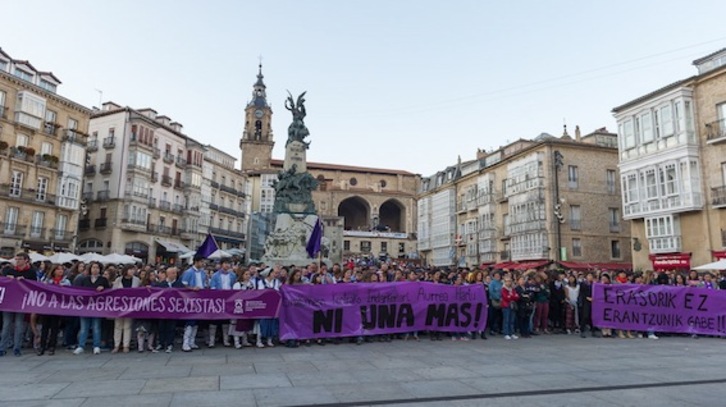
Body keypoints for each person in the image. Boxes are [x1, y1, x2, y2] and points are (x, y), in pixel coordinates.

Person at [0, 252, 39, 356]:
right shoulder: (9, 270)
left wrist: (25, 281)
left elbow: (34, 286)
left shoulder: (31, 272)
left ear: (26, 260)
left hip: (21, 302)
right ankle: (2, 347)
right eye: (16, 259)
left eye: (20, 259)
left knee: (19, 325)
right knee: (6, 325)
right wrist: (7, 279)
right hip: (8, 302)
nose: (17, 261)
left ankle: (17, 347)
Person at [74, 261, 110, 355]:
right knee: (84, 327)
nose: (95, 269)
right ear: (90, 269)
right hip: (85, 307)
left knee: (96, 327)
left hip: (97, 307)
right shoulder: (84, 279)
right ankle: (81, 345)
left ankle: (96, 346)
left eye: (97, 267)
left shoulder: (103, 280)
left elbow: (109, 292)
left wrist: (103, 288)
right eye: (93, 267)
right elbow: (78, 291)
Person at [37, 264, 70, 356]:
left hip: (58, 307)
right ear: (54, 271)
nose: (60, 271)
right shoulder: (47, 280)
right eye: (58, 269)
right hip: (47, 306)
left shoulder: (66, 282)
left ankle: (52, 346)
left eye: (61, 269)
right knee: (45, 327)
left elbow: (71, 293)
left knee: (55, 327)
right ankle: (42, 346)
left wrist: (64, 289)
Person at [180, 256, 209, 352]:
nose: (203, 264)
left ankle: (192, 342)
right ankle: (185, 343)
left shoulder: (203, 273)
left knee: (196, 322)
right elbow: (183, 285)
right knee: (190, 321)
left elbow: (205, 284)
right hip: (190, 299)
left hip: (200, 299)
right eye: (201, 262)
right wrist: (192, 288)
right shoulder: (188, 272)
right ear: (196, 262)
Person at [154, 267, 184, 353]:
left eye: (175, 273)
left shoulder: (179, 284)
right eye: (172, 273)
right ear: (168, 274)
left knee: (171, 327)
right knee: (161, 327)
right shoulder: (162, 284)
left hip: (173, 309)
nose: (174, 275)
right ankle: (161, 343)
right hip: (163, 310)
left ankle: (170, 344)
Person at [111, 266, 140, 353]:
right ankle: (116, 345)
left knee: (128, 326)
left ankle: (126, 345)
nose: (132, 271)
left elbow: (140, 292)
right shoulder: (118, 280)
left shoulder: (136, 280)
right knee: (118, 326)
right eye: (130, 269)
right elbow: (113, 291)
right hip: (119, 305)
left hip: (131, 306)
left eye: (133, 269)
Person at [209, 260, 236, 348]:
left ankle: (226, 340)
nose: (227, 265)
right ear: (221, 265)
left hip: (228, 300)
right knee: (214, 320)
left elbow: (233, 286)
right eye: (225, 263)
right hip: (218, 299)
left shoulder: (232, 275)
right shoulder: (215, 275)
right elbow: (212, 287)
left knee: (226, 320)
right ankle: (211, 340)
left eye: (228, 263)